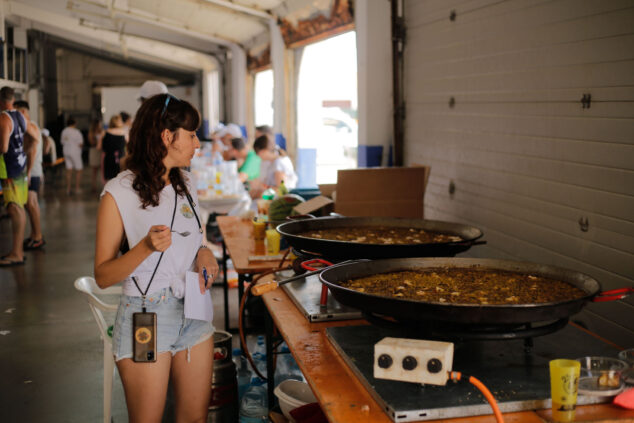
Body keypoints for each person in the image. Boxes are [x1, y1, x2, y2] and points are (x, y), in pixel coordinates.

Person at [94, 93, 218, 422]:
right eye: (191, 135)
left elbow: (199, 239)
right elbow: (103, 276)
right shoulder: (118, 192)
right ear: (167, 137)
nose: (197, 144)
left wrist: (205, 253)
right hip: (145, 317)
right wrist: (145, 248)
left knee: (195, 418)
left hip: (194, 312)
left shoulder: (186, 183)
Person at [0, 86, 39, 266]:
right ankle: (17, 251)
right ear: (13, 100)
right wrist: (24, 154)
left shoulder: (3, 119)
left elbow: (4, 148)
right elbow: (35, 139)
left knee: (15, 209)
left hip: (9, 169)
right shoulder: (21, 117)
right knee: (18, 208)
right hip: (21, 167)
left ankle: (16, 253)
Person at [14, 100, 46, 250]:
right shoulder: (31, 126)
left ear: (24, 112)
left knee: (32, 204)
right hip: (33, 170)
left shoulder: (30, 127)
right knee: (30, 204)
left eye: (18, 112)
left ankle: (38, 236)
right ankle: (34, 235)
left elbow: (32, 151)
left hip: (32, 172)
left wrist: (27, 174)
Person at [60, 116, 84, 195]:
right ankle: (77, 188)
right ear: (75, 123)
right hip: (75, 152)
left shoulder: (64, 131)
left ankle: (68, 189)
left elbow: (62, 142)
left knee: (69, 170)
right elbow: (80, 144)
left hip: (66, 151)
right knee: (78, 170)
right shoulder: (76, 132)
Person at [100, 114, 127, 182]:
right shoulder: (124, 133)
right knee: (120, 178)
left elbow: (99, 147)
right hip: (121, 158)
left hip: (108, 158)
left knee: (109, 179)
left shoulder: (104, 132)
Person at [88, 118, 105, 193]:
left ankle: (103, 186)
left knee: (102, 170)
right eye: (99, 123)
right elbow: (91, 143)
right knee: (94, 171)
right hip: (94, 151)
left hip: (101, 151)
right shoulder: (91, 132)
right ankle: (93, 186)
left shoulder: (102, 131)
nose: (100, 125)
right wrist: (98, 141)